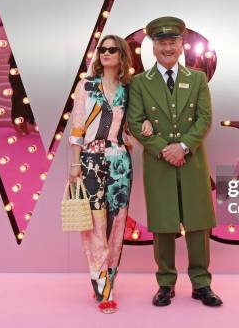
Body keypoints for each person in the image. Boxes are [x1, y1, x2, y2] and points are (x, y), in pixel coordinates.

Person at [126, 17, 223, 307]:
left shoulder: (197, 79)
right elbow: (134, 121)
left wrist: (182, 147)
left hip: (191, 161)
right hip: (159, 162)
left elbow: (204, 119)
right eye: (161, 42)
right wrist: (163, 149)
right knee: (163, 224)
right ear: (152, 47)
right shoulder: (140, 82)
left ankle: (201, 284)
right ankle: (165, 284)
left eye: (173, 42)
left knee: (198, 223)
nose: (167, 47)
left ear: (182, 45)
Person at [68, 34, 153, 314]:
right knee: (94, 225)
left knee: (116, 226)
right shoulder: (87, 85)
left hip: (119, 163)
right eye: (102, 49)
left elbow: (130, 127)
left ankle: (108, 281)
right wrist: (74, 164)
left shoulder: (128, 89)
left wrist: (145, 129)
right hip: (90, 160)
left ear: (121, 55)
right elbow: (78, 127)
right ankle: (102, 288)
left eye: (111, 50)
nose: (105, 53)